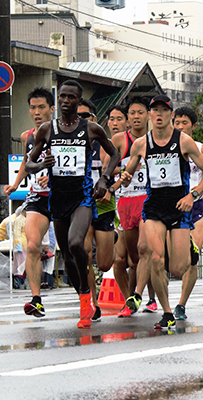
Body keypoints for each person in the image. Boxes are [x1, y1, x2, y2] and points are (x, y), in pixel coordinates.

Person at [25, 80, 120, 328]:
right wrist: (41, 165)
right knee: (66, 253)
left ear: (79, 102)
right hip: (58, 199)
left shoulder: (91, 129)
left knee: (76, 242)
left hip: (83, 197)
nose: (66, 101)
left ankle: (86, 300)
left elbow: (114, 154)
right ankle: (83, 295)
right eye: (63, 97)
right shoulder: (47, 129)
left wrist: (104, 179)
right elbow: (29, 164)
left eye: (71, 97)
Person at [121, 94, 203, 330]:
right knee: (155, 258)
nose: (159, 115)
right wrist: (123, 178)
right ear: (150, 115)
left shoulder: (183, 141)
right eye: (155, 111)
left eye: (164, 111)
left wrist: (192, 196)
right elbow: (128, 174)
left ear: (170, 115)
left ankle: (189, 249)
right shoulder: (141, 144)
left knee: (177, 268)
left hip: (180, 206)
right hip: (153, 208)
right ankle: (166, 311)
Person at [3, 87, 54, 316]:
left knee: (76, 249)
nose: (36, 111)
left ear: (51, 109)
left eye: (41, 107)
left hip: (63, 197)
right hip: (37, 197)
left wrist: (51, 176)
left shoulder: (62, 133)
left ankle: (86, 296)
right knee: (32, 245)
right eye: (33, 107)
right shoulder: (27, 136)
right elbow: (26, 162)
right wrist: (15, 183)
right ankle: (36, 299)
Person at [171, 106, 203, 319]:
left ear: (193, 126)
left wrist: (202, 191)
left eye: (185, 123)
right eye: (177, 122)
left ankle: (181, 304)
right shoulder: (167, 146)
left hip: (196, 207)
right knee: (174, 259)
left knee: (192, 257)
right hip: (172, 207)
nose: (180, 127)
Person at [110, 97, 155, 317]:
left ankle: (141, 298)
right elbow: (107, 169)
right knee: (128, 259)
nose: (136, 117)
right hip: (124, 201)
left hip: (147, 199)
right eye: (132, 113)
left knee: (146, 250)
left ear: (148, 115)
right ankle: (131, 297)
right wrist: (122, 174)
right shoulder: (119, 140)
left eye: (140, 112)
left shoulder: (156, 139)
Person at [78, 100, 116, 323]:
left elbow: (116, 159)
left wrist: (108, 182)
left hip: (103, 204)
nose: (82, 119)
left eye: (86, 115)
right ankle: (92, 302)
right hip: (82, 203)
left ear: (94, 118)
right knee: (85, 253)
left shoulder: (103, 141)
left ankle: (113, 238)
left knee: (104, 263)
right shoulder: (68, 141)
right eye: (78, 115)